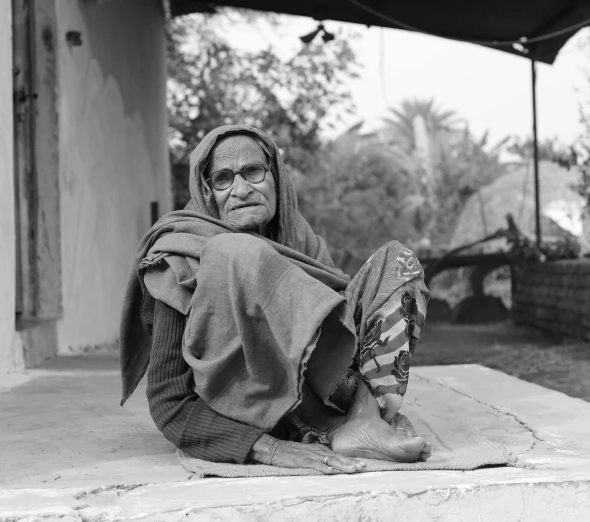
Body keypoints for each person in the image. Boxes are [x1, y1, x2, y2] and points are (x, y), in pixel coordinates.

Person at [119, 125, 432, 474]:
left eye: (253, 171)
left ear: (275, 176)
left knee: (398, 260)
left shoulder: (303, 243)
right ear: (207, 192)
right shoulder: (179, 255)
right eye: (223, 179)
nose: (241, 190)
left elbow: (343, 335)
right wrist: (270, 449)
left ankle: (364, 419)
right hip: (251, 417)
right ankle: (325, 426)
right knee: (235, 252)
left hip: (335, 394)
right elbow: (170, 403)